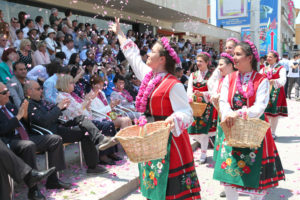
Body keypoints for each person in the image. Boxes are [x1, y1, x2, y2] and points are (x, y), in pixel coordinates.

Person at [109, 18, 201, 200]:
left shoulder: (174, 85)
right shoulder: (149, 78)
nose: (147, 54)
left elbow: (187, 113)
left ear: (162, 59)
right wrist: (119, 34)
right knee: (153, 182)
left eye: (152, 52)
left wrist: (173, 119)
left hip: (169, 140)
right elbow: (133, 57)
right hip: (151, 139)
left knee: (171, 188)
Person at [213, 41, 285, 200]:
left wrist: (238, 114)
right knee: (229, 177)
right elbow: (224, 102)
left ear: (250, 57)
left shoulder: (262, 80)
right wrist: (228, 114)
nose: (234, 58)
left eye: (238, 54)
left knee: (255, 176)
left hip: (254, 132)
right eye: (234, 55)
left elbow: (260, 107)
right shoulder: (230, 78)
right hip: (232, 130)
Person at [25, 80, 115, 172]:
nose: (41, 91)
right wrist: (58, 108)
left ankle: (98, 144)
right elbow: (43, 121)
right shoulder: (28, 104)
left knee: (83, 121)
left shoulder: (41, 101)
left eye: (41, 88)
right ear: (29, 91)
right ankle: (99, 145)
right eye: (38, 89)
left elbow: (54, 113)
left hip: (59, 125)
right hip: (50, 132)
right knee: (87, 130)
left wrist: (62, 108)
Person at [0, 82, 71, 197]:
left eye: (8, 91)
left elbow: (24, 124)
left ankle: (53, 180)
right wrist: (18, 116)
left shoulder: (9, 106)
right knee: (28, 146)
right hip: (11, 141)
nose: (8, 94)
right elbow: (3, 129)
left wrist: (25, 116)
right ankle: (34, 190)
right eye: (4, 92)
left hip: (27, 135)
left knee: (55, 139)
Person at [55, 75, 119, 165]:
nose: (74, 85)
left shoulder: (72, 95)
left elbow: (85, 110)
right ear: (65, 84)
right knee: (107, 125)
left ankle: (110, 152)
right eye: (71, 83)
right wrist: (86, 101)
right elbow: (76, 113)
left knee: (109, 123)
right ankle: (103, 156)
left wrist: (87, 104)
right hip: (75, 123)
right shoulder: (63, 97)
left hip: (86, 120)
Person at [187, 52, 216, 164]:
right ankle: (205, 145)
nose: (198, 63)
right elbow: (189, 89)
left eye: (201, 61)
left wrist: (203, 94)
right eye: (197, 61)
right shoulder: (193, 75)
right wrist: (191, 97)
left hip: (207, 107)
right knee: (195, 132)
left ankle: (203, 154)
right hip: (195, 106)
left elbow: (214, 91)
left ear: (207, 63)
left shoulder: (211, 76)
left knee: (203, 132)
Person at [210, 53, 235, 162]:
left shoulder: (236, 79)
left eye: (221, 64)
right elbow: (213, 95)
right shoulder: (220, 80)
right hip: (222, 116)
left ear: (230, 65)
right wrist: (214, 99)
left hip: (233, 117)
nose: (218, 67)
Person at [259, 50, 288, 139]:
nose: (268, 58)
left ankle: (273, 132)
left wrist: (274, 81)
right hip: (265, 92)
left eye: (270, 57)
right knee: (265, 113)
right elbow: (258, 78)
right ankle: (265, 131)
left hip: (276, 92)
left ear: (276, 58)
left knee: (274, 114)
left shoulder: (281, 68)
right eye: (267, 57)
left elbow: (283, 80)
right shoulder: (264, 68)